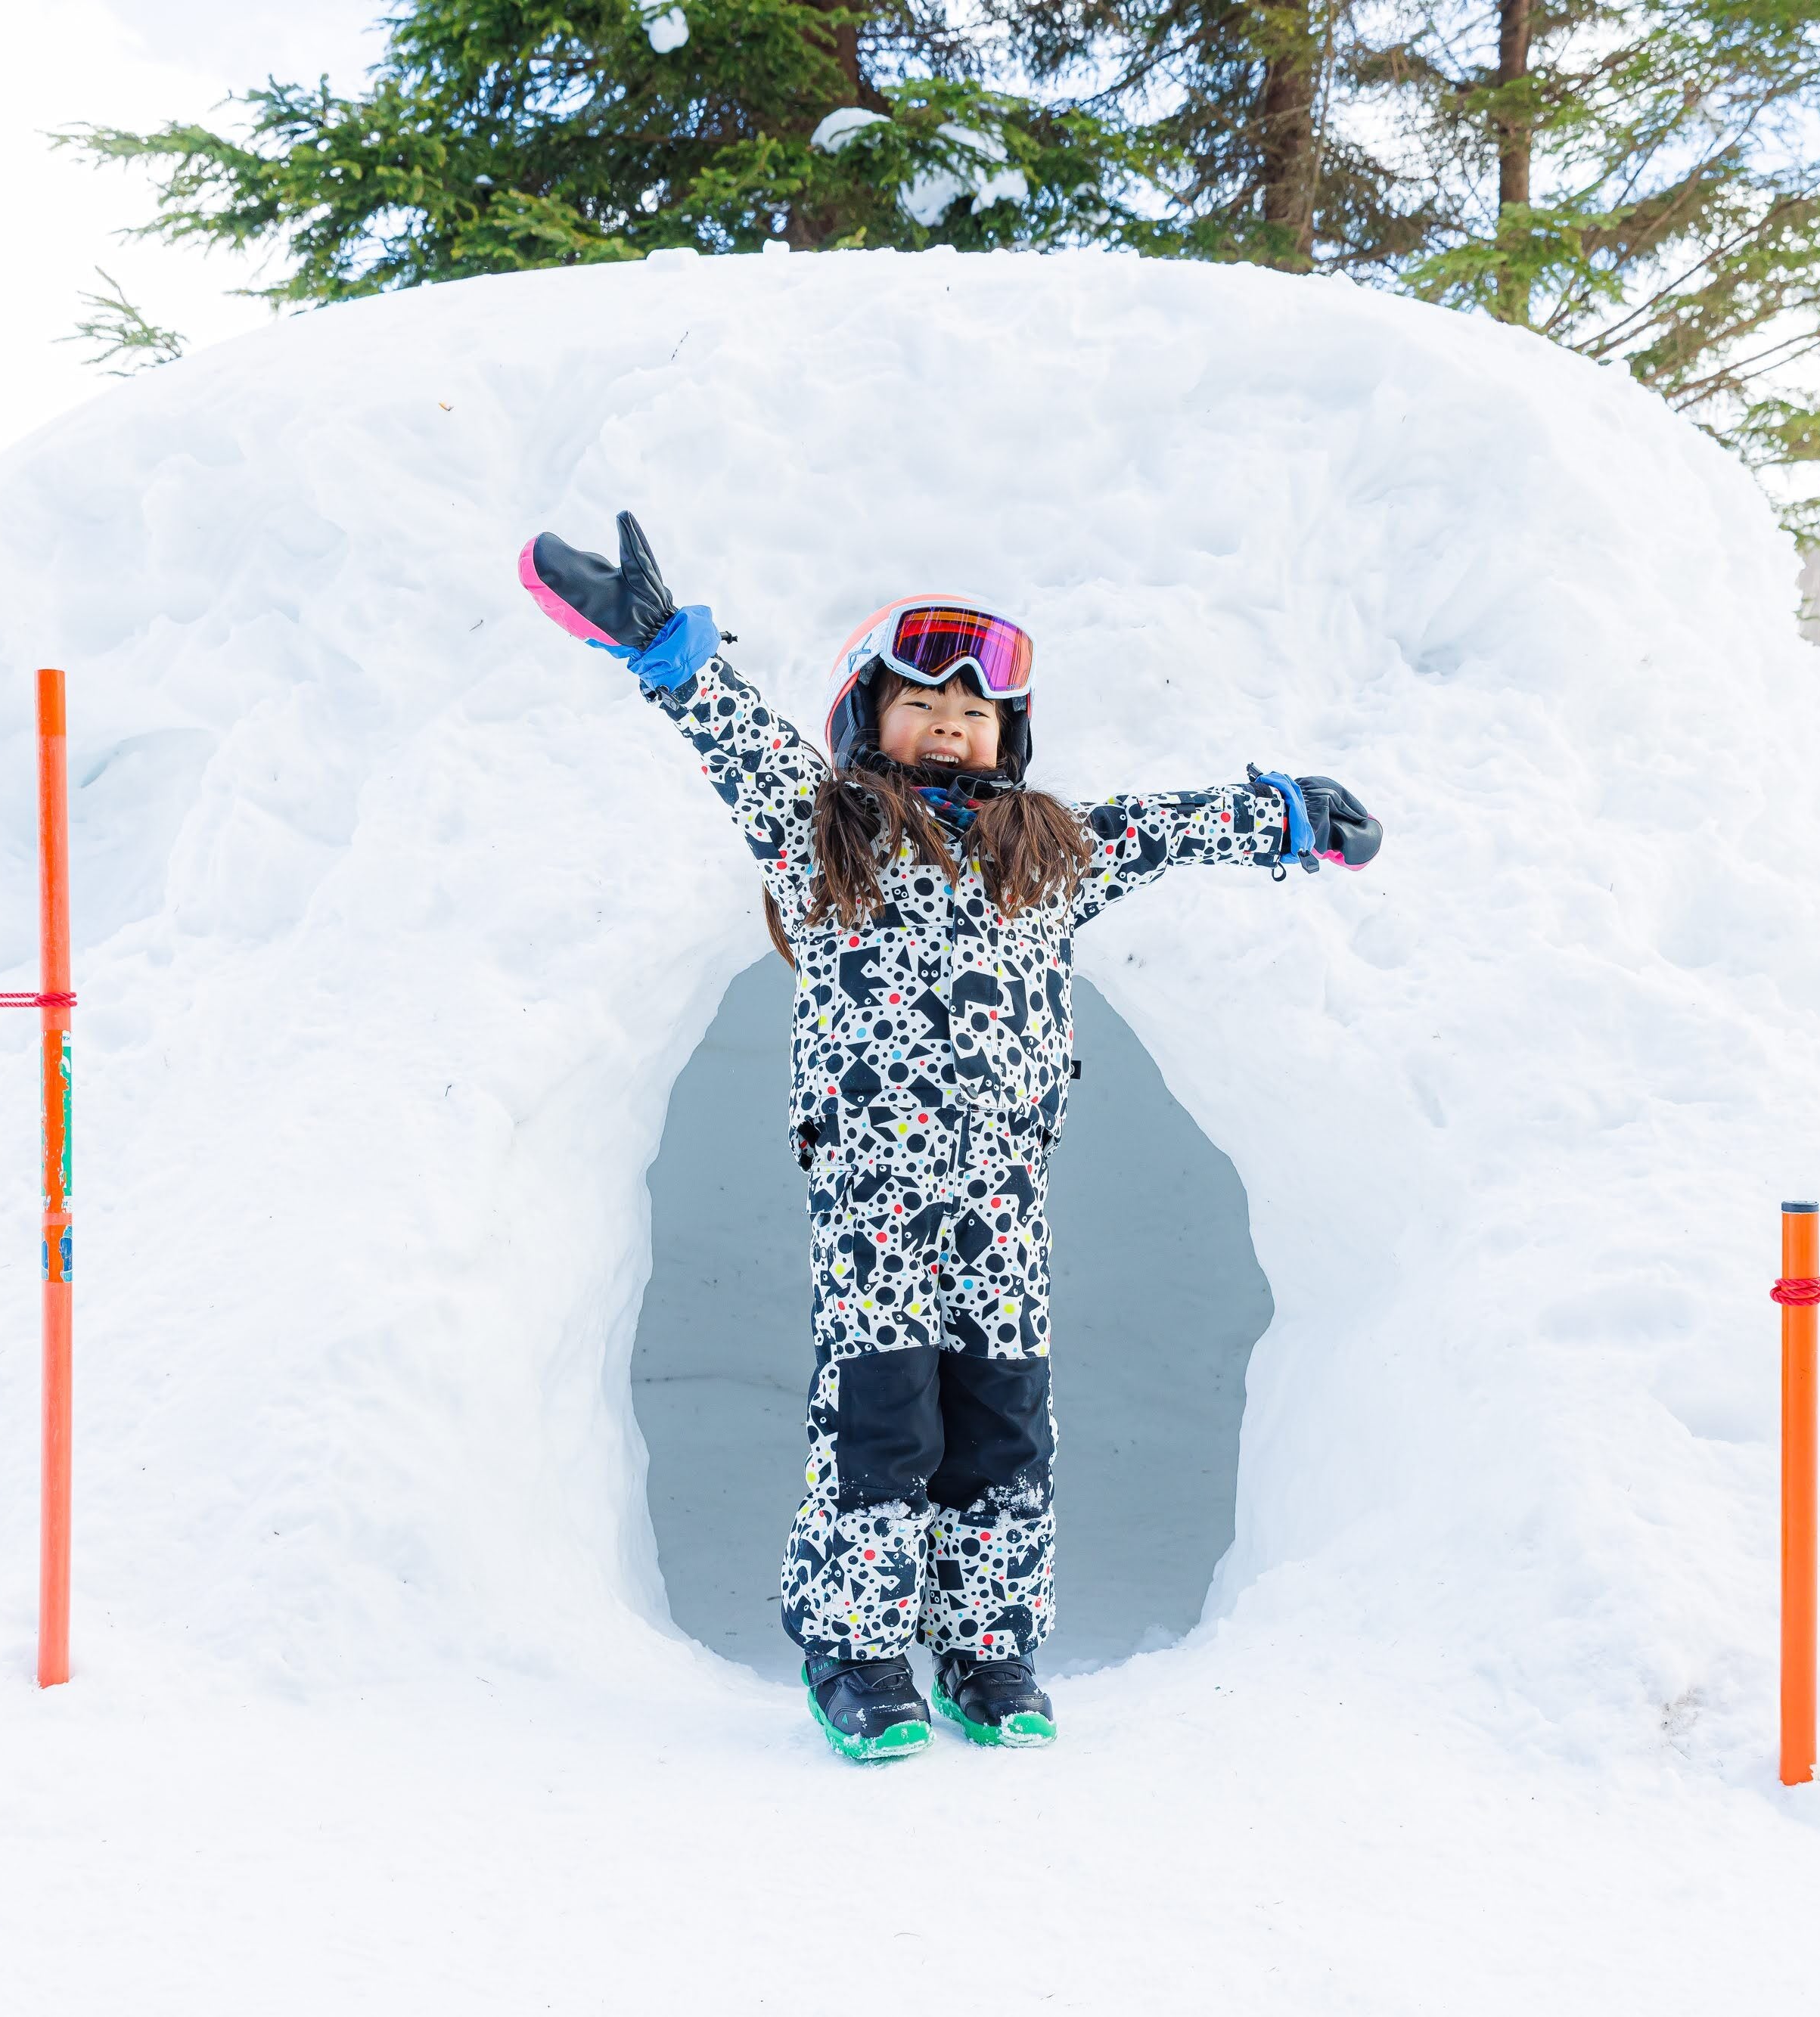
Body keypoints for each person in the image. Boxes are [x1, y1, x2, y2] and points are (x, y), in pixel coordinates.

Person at [520, 513, 1381, 1763]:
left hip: (1003, 1200)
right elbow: (739, 742)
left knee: (1003, 1425)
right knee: (882, 1426)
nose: (952, 726)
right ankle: (858, 1649)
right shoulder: (828, 841)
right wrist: (663, 647)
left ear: (1011, 739)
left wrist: (1289, 816)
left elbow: (1171, 824)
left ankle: (990, 1648)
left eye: (977, 716)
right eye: (923, 705)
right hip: (878, 1197)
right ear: (865, 719)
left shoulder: (1051, 854)